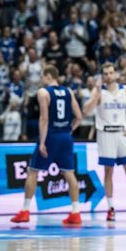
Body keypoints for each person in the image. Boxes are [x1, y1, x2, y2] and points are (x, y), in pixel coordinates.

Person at [10, 65, 83, 225]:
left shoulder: (43, 92)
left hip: (50, 136)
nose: (42, 80)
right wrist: (68, 130)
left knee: (32, 172)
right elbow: (79, 116)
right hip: (65, 137)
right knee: (70, 174)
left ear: (48, 76)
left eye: (43, 77)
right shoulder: (69, 91)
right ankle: (76, 213)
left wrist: (42, 142)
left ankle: (25, 211)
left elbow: (44, 118)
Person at [83, 62, 126, 222]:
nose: (108, 76)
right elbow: (86, 111)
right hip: (105, 134)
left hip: (121, 133)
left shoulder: (125, 90)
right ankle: (110, 208)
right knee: (108, 172)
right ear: (102, 76)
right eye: (105, 74)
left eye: (111, 73)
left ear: (115, 74)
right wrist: (96, 91)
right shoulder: (98, 92)